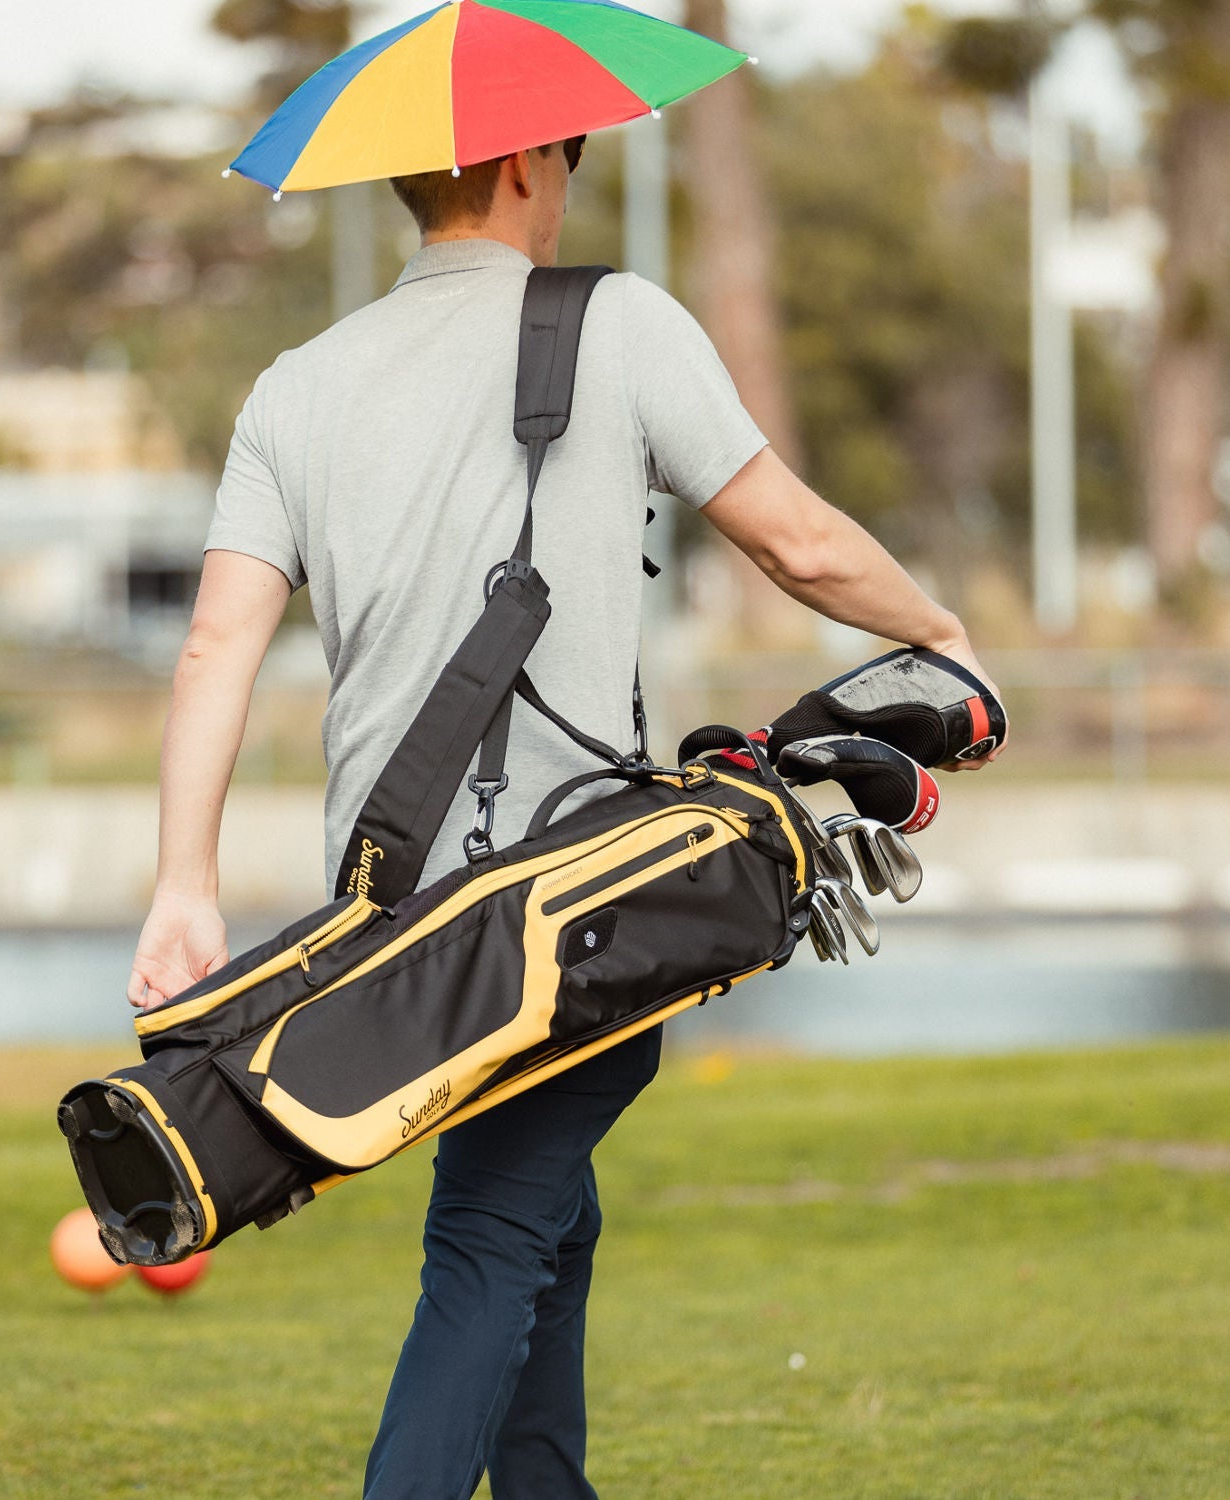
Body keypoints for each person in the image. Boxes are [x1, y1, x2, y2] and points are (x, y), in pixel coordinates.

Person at [125, 134, 1002, 1499]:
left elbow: (214, 649)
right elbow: (797, 543)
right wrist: (938, 634)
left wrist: (185, 885)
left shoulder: (295, 387)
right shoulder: (618, 322)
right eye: (573, 153)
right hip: (574, 913)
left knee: (543, 1217)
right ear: (531, 159)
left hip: (387, 923)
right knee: (493, 1237)